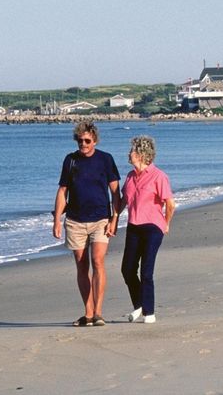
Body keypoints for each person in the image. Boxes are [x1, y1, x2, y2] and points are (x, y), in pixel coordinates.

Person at [52, 121, 120, 327]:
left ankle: (98, 312)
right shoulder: (70, 160)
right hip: (75, 221)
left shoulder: (106, 159)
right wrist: (56, 220)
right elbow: (63, 191)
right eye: (80, 140)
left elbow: (116, 193)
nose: (83, 144)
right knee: (82, 266)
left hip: (101, 219)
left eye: (87, 141)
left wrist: (114, 220)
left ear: (95, 140)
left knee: (98, 262)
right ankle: (88, 313)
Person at [116, 135, 176, 324]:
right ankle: (140, 304)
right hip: (134, 226)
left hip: (153, 227)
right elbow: (124, 201)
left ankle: (149, 313)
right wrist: (113, 220)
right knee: (127, 269)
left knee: (146, 271)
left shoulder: (159, 176)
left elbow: (170, 203)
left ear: (142, 154)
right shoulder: (130, 176)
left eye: (132, 150)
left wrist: (166, 223)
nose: (129, 153)